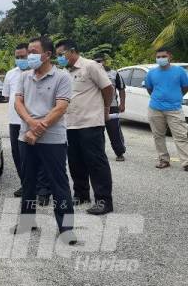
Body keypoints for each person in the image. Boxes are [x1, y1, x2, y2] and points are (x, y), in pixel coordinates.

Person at [13, 36, 75, 244]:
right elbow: (18, 103)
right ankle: (27, 221)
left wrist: (37, 130)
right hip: (26, 137)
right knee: (28, 181)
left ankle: (66, 229)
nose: (29, 56)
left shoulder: (62, 77)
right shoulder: (24, 77)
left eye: (33, 52)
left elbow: (60, 108)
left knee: (59, 184)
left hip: (53, 140)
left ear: (47, 55)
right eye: (28, 52)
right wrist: (31, 124)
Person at [55, 40, 115, 215]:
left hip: (90, 122)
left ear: (72, 51)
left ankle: (104, 200)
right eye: (57, 55)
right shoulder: (63, 72)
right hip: (70, 124)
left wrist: (105, 109)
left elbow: (107, 88)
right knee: (75, 161)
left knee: (96, 162)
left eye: (61, 54)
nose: (59, 58)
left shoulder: (90, 66)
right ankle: (81, 194)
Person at [2, 42, 51, 205]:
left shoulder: (37, 73)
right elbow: (7, 96)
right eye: (17, 57)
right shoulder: (10, 74)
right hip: (15, 122)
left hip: (35, 122)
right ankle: (26, 184)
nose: (21, 59)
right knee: (19, 157)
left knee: (42, 156)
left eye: (23, 56)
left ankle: (43, 190)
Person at [145, 47, 188, 171]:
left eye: (163, 56)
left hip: (174, 108)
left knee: (181, 135)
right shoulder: (151, 73)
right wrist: (159, 98)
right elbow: (150, 89)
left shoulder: (179, 71)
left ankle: (186, 162)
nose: (160, 59)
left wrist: (175, 97)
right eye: (158, 57)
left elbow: (185, 87)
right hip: (155, 108)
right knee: (158, 136)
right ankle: (163, 160)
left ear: (170, 57)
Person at [93, 54, 126, 162]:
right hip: (96, 107)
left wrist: (122, 104)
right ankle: (99, 153)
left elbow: (121, 89)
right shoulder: (90, 73)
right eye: (96, 61)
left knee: (114, 131)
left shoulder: (114, 73)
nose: (99, 63)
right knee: (97, 132)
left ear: (105, 61)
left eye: (100, 61)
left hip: (112, 107)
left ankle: (120, 153)